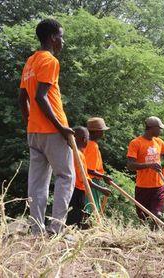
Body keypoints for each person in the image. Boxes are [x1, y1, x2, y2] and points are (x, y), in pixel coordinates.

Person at [18, 18, 75, 235]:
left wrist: (30, 123)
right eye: (61, 36)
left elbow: (22, 98)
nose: (63, 41)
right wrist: (61, 127)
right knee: (66, 177)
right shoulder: (50, 61)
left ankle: (36, 230)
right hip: (53, 131)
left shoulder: (31, 61)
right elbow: (41, 97)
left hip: (35, 132)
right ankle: (56, 230)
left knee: (37, 183)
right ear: (52, 37)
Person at [66, 127, 111, 228]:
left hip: (75, 188)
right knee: (75, 217)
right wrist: (101, 189)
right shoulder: (77, 154)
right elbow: (84, 178)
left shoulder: (72, 152)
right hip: (77, 190)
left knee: (76, 216)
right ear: (84, 139)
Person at [83, 117, 113, 214]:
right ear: (97, 132)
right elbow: (89, 170)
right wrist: (104, 176)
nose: (103, 133)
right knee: (90, 210)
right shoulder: (92, 145)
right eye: (102, 131)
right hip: (91, 181)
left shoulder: (85, 143)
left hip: (86, 181)